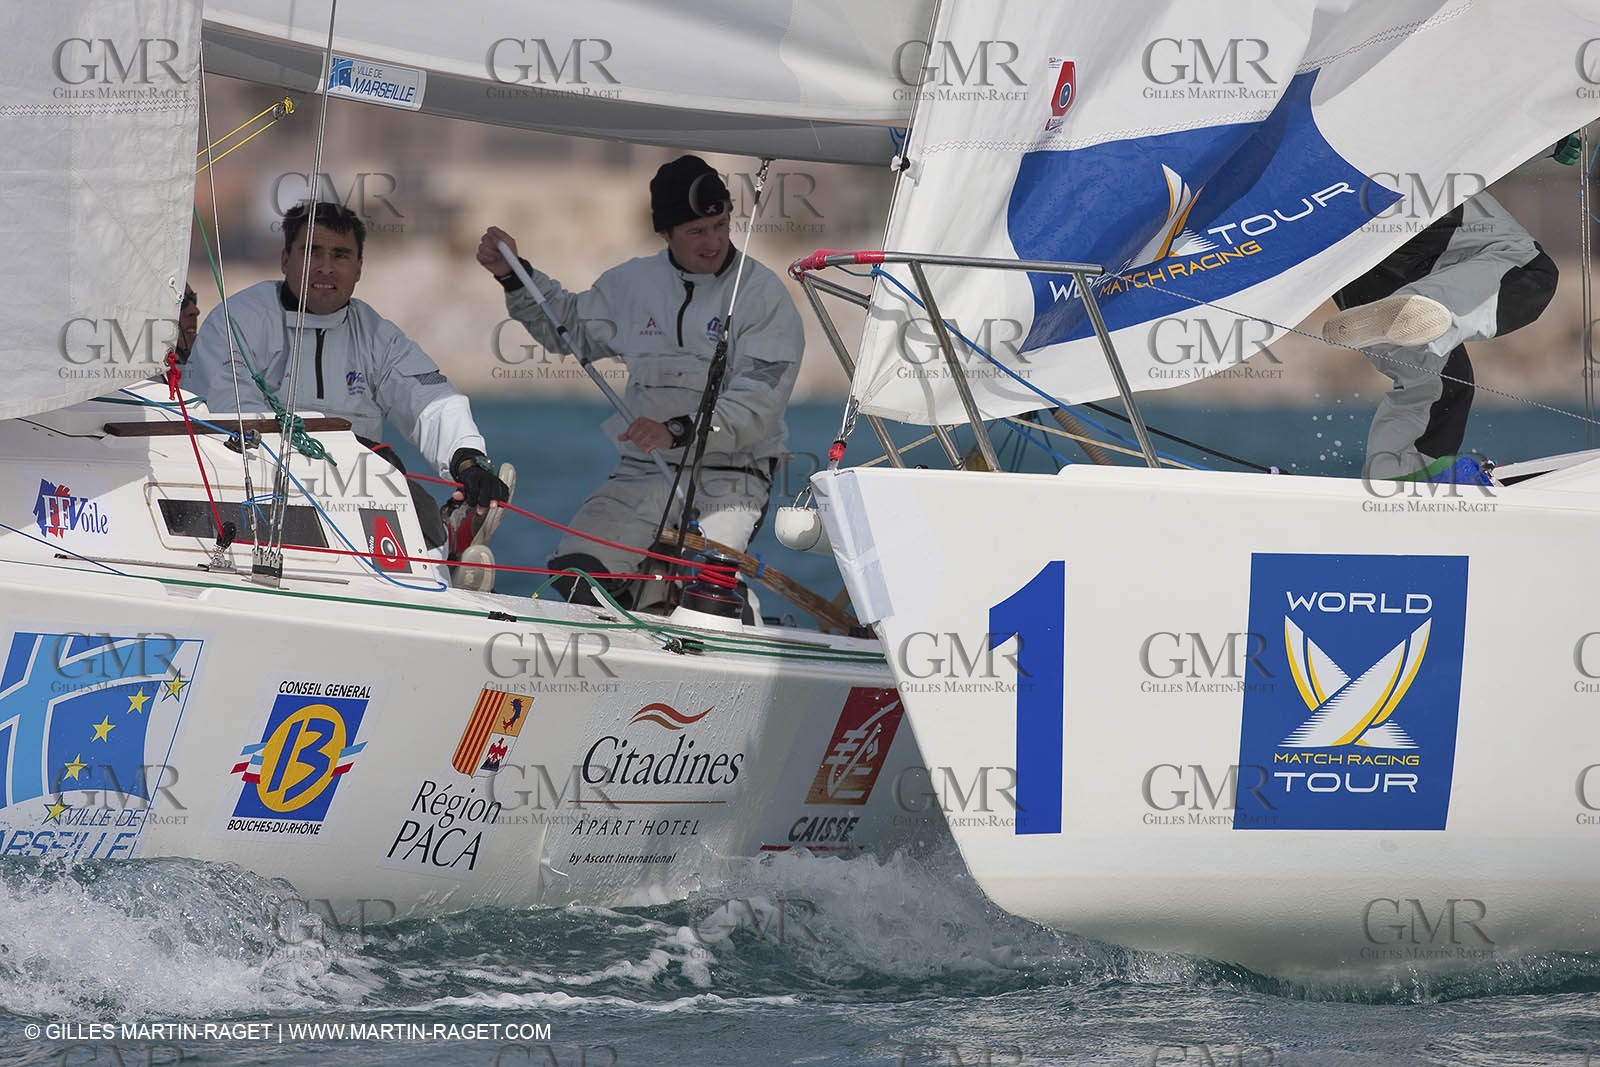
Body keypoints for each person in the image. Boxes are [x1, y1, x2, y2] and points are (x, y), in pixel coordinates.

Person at [476, 155, 804, 613]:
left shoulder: (762, 295)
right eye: (695, 231)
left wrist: (678, 430)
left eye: (720, 225)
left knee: (706, 600)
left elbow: (759, 403)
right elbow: (564, 326)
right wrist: (513, 274)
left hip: (732, 475)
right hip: (644, 469)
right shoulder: (631, 284)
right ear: (666, 234)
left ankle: (733, 617)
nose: (712, 242)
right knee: (578, 575)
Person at [186, 201, 512, 589]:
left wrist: (468, 459)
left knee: (404, 498)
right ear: (285, 259)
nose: (325, 267)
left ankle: (444, 559)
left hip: (359, 488)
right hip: (255, 482)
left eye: (340, 255)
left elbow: (428, 398)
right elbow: (230, 406)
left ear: (359, 268)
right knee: (397, 493)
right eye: (312, 253)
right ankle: (445, 546)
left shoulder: (376, 335)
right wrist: (343, 448)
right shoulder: (240, 319)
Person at [1323, 191, 1558, 481]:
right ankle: (1418, 307)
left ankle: (1401, 479)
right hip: (1398, 193)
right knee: (1530, 268)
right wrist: (1552, 145)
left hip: (1329, 240)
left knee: (1438, 381)